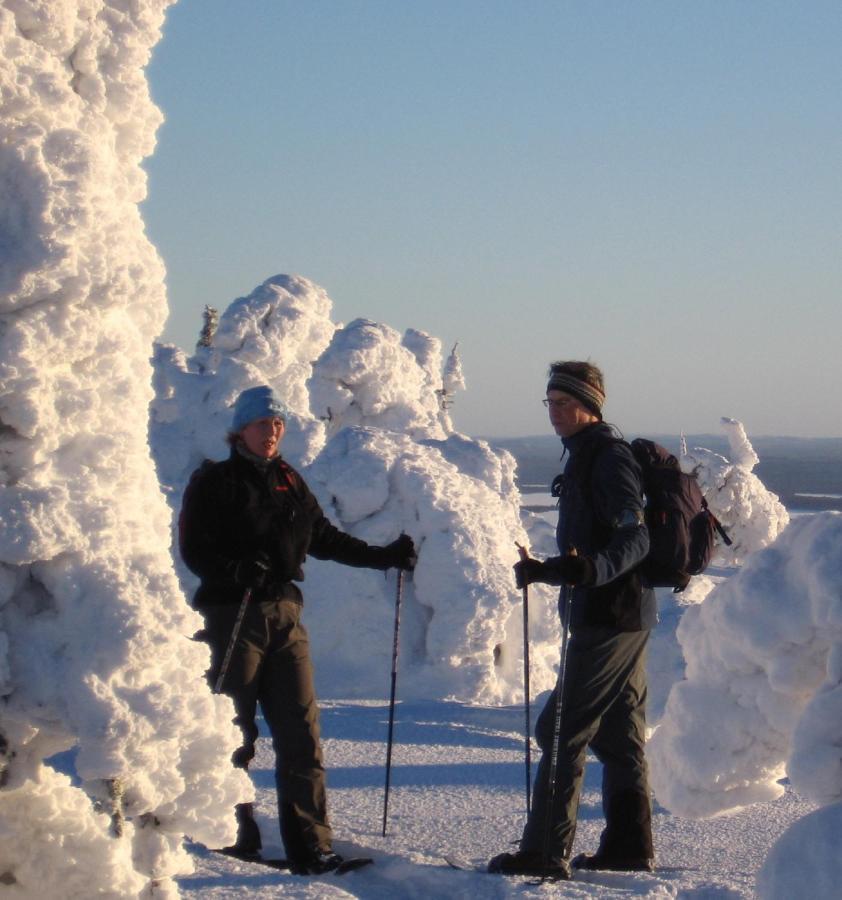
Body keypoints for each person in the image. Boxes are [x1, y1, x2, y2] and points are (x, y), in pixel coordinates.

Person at [179, 385, 416, 876]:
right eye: (263, 423)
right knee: (232, 731)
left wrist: (383, 557)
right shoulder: (215, 481)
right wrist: (236, 570)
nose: (272, 432)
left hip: (285, 614)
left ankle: (311, 847)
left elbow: (322, 537)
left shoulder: (289, 479)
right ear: (240, 429)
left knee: (301, 733)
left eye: (279, 424)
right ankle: (232, 837)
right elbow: (194, 551)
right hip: (232, 615)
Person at [489, 360, 656, 879]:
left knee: (560, 727)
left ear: (591, 404)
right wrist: (550, 570)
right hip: (619, 613)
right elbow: (590, 546)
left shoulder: (608, 458)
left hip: (608, 615)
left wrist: (588, 570)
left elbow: (636, 536)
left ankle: (544, 851)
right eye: (550, 403)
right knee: (618, 733)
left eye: (564, 403)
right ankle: (629, 847)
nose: (555, 413)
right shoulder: (587, 455)